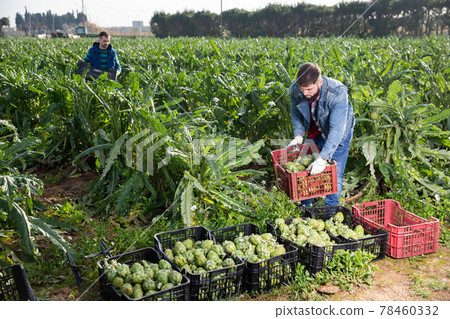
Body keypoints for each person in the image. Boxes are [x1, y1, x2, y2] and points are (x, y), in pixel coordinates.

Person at [288, 62, 354, 207]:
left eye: (309, 89)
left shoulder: (337, 92)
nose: (305, 93)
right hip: (314, 129)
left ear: (320, 81)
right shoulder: (295, 89)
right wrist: (298, 135)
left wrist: (323, 158)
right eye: (302, 89)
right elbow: (295, 112)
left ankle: (330, 210)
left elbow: (337, 130)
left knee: (334, 173)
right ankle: (306, 207)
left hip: (338, 133)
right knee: (307, 169)